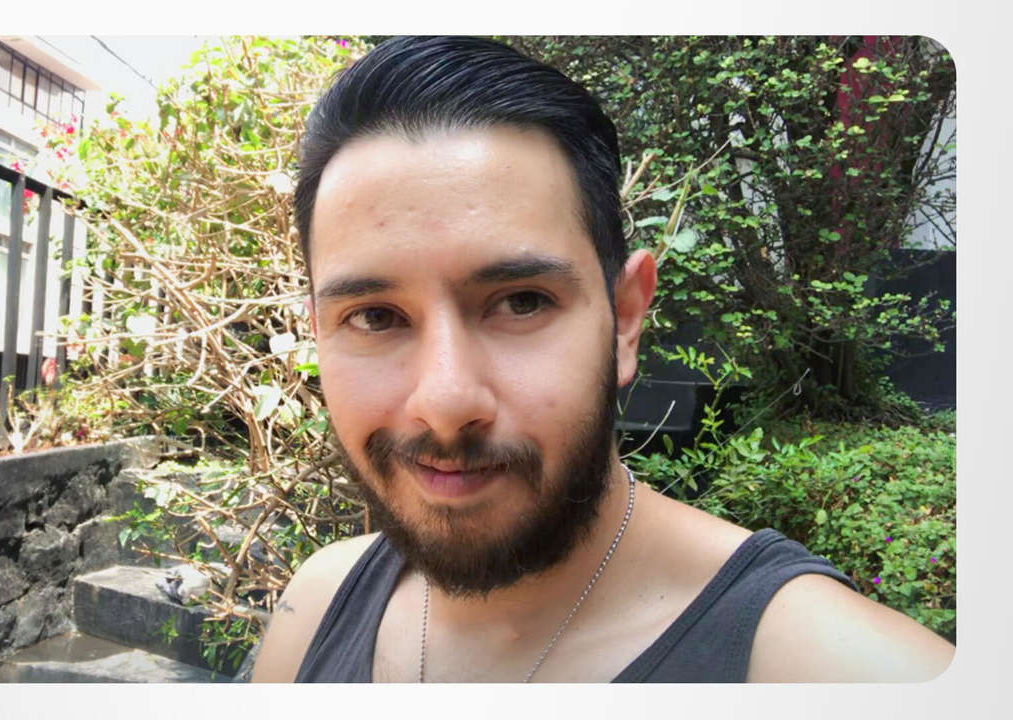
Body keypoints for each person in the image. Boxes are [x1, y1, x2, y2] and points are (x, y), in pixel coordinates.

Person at [251, 36, 954, 683]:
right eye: (374, 316)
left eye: (521, 302)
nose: (445, 401)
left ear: (625, 320)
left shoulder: (848, 672)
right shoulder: (315, 608)